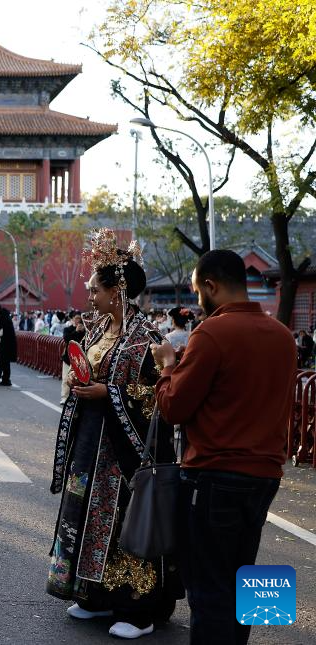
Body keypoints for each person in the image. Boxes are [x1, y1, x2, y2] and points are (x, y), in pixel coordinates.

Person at [152, 250, 296, 645]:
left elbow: (173, 407)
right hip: (265, 475)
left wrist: (167, 366)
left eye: (198, 290)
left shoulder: (212, 333)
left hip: (215, 475)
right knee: (246, 581)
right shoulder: (283, 336)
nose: (198, 300)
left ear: (211, 286)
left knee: (209, 588)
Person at [48, 229, 181, 640]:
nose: (90, 295)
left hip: (124, 451)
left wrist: (109, 393)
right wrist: (80, 383)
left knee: (124, 520)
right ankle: (94, 595)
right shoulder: (98, 329)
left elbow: (155, 398)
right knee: (86, 514)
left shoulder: (147, 339)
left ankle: (137, 609)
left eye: (95, 289)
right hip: (90, 441)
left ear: (117, 290)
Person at [60, 314, 87, 402]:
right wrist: (76, 331)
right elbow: (67, 339)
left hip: (79, 359)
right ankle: (64, 397)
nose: (77, 320)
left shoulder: (85, 330)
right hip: (68, 358)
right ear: (72, 319)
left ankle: (76, 398)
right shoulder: (67, 329)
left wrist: (83, 331)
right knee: (65, 378)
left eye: (79, 318)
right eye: (76, 318)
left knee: (78, 380)